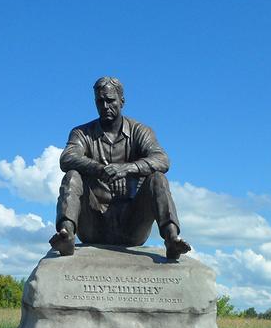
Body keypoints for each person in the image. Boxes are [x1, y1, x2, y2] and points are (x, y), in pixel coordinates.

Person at [49, 76, 192, 260]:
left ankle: (172, 238)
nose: (105, 106)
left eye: (110, 100)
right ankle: (66, 235)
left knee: (158, 178)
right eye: (100, 101)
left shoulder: (140, 131)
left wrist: (126, 168)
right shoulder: (82, 133)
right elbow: (67, 158)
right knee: (72, 175)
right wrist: (99, 169)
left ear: (122, 101)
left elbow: (162, 160)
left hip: (132, 226)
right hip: (93, 225)